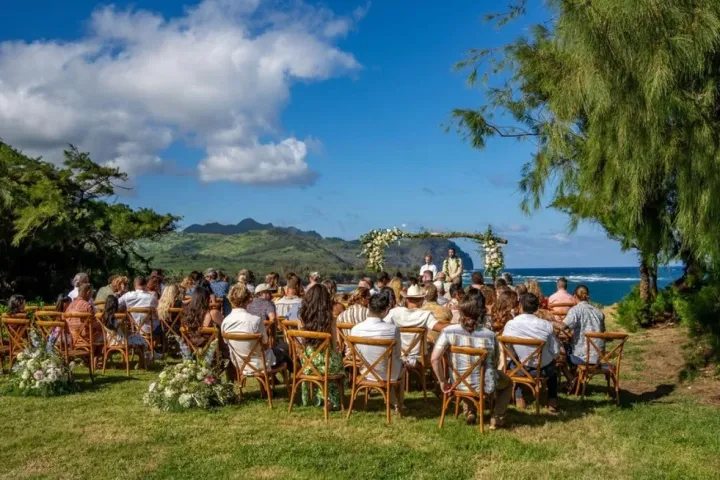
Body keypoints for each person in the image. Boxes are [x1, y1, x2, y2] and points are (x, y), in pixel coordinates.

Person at [430, 293, 513, 429]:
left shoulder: (448, 331)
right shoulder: (489, 335)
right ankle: (497, 417)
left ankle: (470, 411)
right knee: (508, 382)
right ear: (480, 312)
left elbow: (434, 358)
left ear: (460, 312)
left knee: (467, 373)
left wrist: (442, 381)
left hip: (457, 383)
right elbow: (495, 360)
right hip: (484, 384)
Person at [503, 293, 561, 411]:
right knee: (553, 370)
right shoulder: (546, 325)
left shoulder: (511, 324)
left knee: (515, 362)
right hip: (543, 369)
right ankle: (552, 399)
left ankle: (519, 397)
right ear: (536, 308)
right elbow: (555, 351)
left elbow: (507, 349)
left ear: (520, 306)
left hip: (521, 368)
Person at [350, 290, 405, 412]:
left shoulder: (355, 329)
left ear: (368, 307)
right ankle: (399, 404)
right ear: (386, 311)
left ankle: (394, 401)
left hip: (366, 372)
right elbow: (397, 354)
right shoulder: (392, 330)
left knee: (392, 364)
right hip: (389, 374)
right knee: (401, 366)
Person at [223, 282, 288, 379]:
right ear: (248, 299)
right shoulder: (256, 321)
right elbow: (265, 345)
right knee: (282, 353)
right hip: (260, 363)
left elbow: (228, 344)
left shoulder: (225, 322)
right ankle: (298, 375)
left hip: (239, 363)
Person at [298, 285, 344, 409]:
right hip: (326, 362)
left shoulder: (302, 318)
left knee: (328, 365)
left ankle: (318, 397)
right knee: (338, 364)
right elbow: (334, 344)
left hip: (307, 363)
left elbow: (302, 341)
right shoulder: (330, 318)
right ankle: (330, 399)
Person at [384, 285, 450, 364]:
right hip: (419, 358)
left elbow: (383, 326)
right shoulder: (425, 315)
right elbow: (440, 327)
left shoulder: (394, 312)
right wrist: (458, 325)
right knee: (439, 348)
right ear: (422, 299)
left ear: (407, 299)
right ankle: (437, 376)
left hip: (399, 354)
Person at [561, 285, 606, 371]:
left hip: (583, 357)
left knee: (563, 348)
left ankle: (572, 378)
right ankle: (576, 379)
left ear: (574, 296)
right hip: (599, 358)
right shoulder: (599, 312)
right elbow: (602, 331)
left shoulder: (575, 310)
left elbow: (562, 326)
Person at [100, 295, 151, 364]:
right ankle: (144, 361)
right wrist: (131, 332)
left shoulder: (103, 317)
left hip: (110, 341)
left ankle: (142, 360)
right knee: (141, 339)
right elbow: (125, 332)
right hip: (122, 341)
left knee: (136, 339)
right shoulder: (119, 318)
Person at [66, 284, 104, 348]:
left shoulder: (70, 305)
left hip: (72, 338)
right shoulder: (87, 306)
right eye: (91, 293)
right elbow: (94, 324)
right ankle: (96, 357)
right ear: (88, 292)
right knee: (106, 336)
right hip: (86, 339)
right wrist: (103, 327)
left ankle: (91, 357)